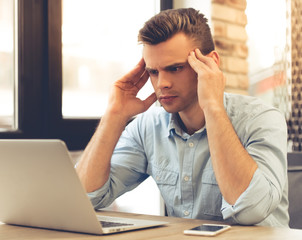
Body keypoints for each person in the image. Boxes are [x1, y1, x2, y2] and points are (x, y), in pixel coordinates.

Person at [76, 8, 289, 227]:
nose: (162, 84)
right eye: (153, 72)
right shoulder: (147, 127)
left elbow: (251, 210)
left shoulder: (261, 119)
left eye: (175, 68)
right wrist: (114, 115)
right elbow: (83, 198)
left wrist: (213, 108)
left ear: (211, 63)